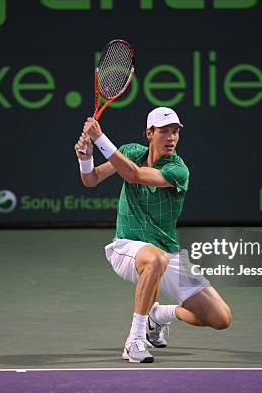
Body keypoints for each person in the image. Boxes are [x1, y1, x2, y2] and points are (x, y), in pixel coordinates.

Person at [74, 107, 232, 363]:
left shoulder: (178, 170)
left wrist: (100, 139)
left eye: (175, 132)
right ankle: (134, 340)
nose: (171, 138)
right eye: (164, 132)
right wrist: (85, 157)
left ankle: (158, 316)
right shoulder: (130, 153)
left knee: (220, 318)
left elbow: (134, 175)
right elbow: (91, 180)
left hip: (166, 253)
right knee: (155, 259)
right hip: (127, 247)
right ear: (149, 133)